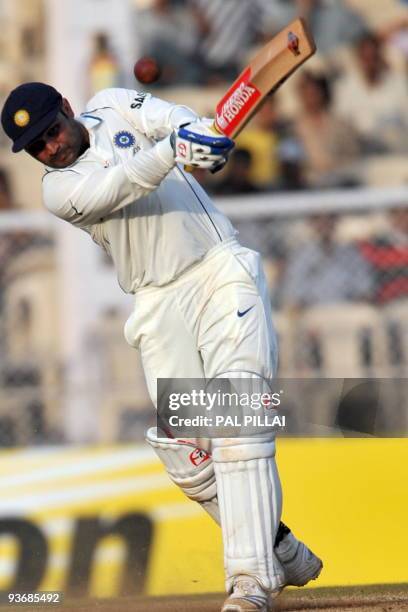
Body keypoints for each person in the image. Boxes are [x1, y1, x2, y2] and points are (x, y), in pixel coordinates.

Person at [1, 82, 322, 612]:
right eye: (36, 146)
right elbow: (122, 184)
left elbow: (172, 117)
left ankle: (250, 582)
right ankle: (279, 546)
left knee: (238, 416)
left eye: (50, 131)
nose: (50, 148)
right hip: (156, 302)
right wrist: (175, 150)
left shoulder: (109, 103)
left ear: (64, 106)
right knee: (184, 451)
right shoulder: (58, 191)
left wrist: (193, 134)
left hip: (220, 271)